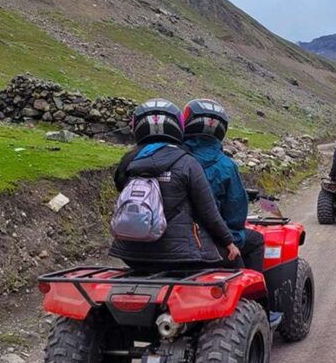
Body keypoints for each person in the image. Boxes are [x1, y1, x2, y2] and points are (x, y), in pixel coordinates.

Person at [110, 98, 240, 271]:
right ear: (178, 125)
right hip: (178, 256)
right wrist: (229, 242)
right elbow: (208, 211)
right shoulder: (187, 162)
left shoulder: (128, 161)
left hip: (129, 254)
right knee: (237, 261)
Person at [182, 99, 265, 273]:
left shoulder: (174, 158)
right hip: (211, 241)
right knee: (256, 240)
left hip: (172, 239)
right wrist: (231, 237)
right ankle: (257, 288)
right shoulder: (226, 165)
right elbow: (236, 214)